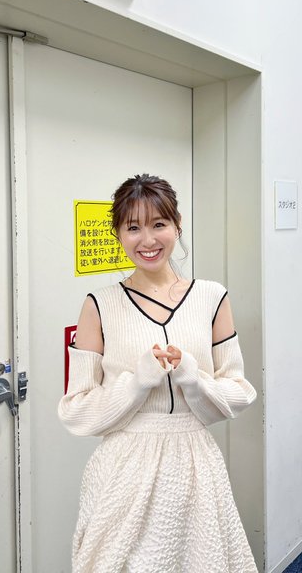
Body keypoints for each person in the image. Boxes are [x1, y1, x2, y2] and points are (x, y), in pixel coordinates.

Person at [58, 174, 258, 573]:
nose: (147, 240)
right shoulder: (99, 304)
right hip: (123, 471)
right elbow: (76, 410)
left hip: (195, 466)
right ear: (118, 233)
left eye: (158, 224)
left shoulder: (212, 297)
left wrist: (192, 377)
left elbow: (239, 391)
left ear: (177, 225)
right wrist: (136, 383)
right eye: (133, 227)